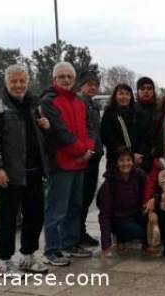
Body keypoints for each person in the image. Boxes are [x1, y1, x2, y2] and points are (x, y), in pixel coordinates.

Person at [0, 64, 50, 275]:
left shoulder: (34, 104)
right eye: (14, 82)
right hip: (8, 174)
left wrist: (45, 127)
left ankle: (28, 257)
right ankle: (4, 261)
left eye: (22, 81)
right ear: (6, 83)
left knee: (35, 215)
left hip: (34, 172)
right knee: (8, 219)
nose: (19, 85)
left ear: (27, 82)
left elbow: (39, 139)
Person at [41, 62, 95, 266]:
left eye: (69, 77)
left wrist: (88, 149)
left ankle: (69, 243)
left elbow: (90, 128)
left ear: (74, 80)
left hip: (80, 163)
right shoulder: (48, 101)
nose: (65, 80)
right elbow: (59, 132)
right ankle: (52, 250)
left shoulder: (80, 101)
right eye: (61, 76)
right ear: (54, 79)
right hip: (61, 164)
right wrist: (82, 151)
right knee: (56, 209)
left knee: (74, 206)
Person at [97, 147, 147, 256]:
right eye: (121, 160)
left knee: (154, 220)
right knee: (138, 231)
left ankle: (147, 244)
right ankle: (120, 238)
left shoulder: (139, 175)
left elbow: (150, 192)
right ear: (116, 163)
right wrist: (105, 245)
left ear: (133, 162)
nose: (125, 164)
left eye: (128, 160)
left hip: (136, 214)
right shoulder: (109, 183)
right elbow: (104, 214)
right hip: (119, 218)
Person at [77, 70, 103, 247]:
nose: (93, 87)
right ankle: (76, 233)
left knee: (86, 197)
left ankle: (80, 231)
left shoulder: (92, 105)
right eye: (89, 84)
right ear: (81, 86)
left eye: (96, 84)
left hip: (94, 156)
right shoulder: (80, 103)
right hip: (85, 156)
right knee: (81, 197)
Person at [101, 83, 147, 171]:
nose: (124, 96)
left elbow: (143, 135)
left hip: (137, 159)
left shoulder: (137, 113)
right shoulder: (109, 113)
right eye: (121, 93)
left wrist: (139, 153)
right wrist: (127, 154)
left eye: (127, 94)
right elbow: (107, 137)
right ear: (115, 96)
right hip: (117, 159)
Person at [135, 76, 159, 171]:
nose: (146, 91)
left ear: (153, 91)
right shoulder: (131, 109)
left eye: (149, 88)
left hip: (156, 155)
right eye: (142, 88)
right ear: (138, 91)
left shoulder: (161, 109)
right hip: (137, 156)